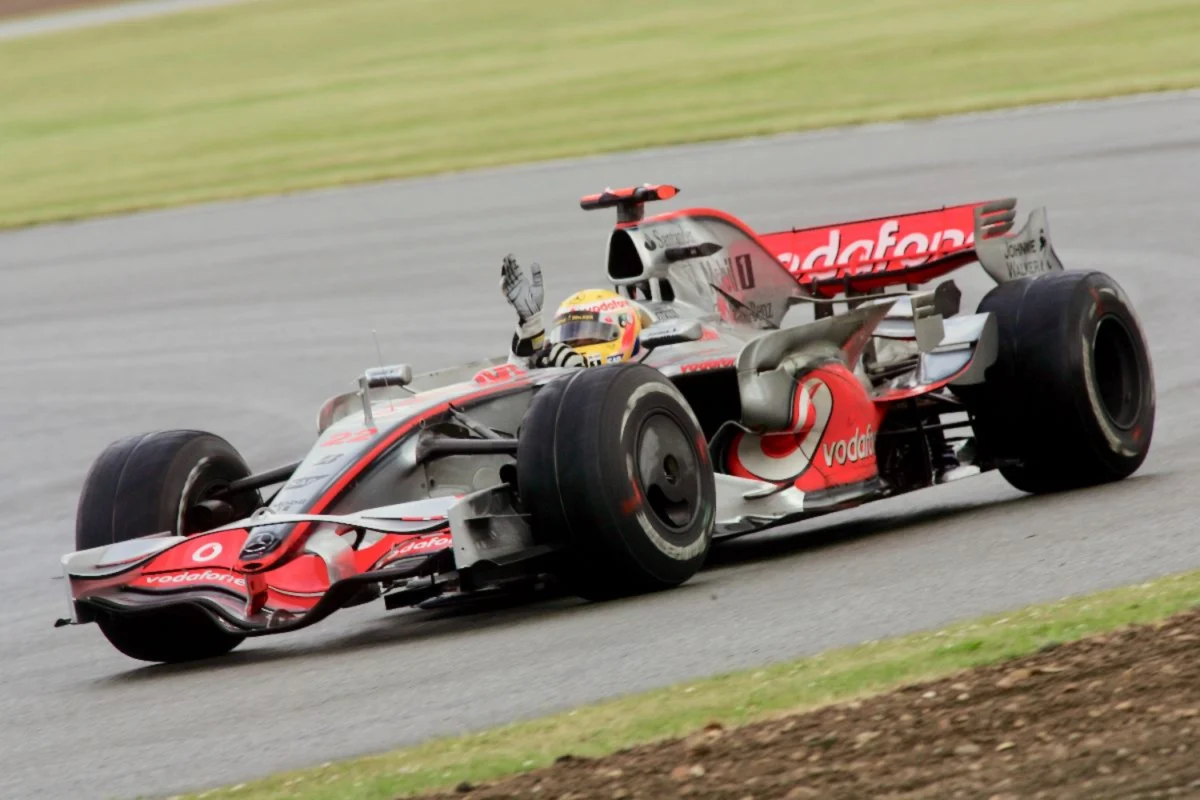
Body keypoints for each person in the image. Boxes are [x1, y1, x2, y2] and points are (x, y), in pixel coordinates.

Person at [500, 254, 644, 369]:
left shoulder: (654, 373)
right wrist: (531, 323)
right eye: (570, 339)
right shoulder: (556, 362)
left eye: (590, 335)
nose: (574, 348)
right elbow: (516, 380)